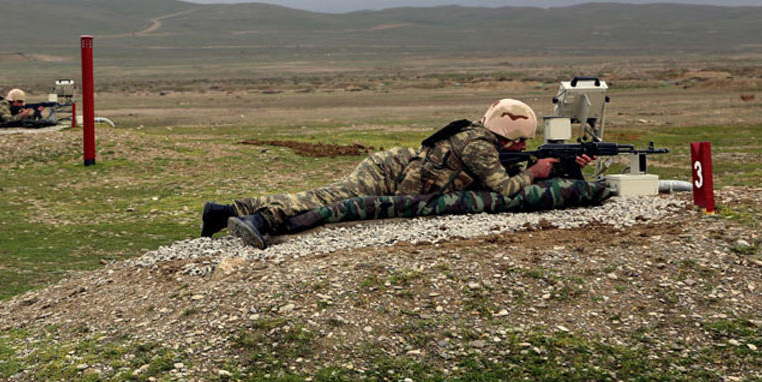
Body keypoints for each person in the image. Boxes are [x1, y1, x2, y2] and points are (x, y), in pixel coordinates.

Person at [211, 98, 596, 249]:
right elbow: (503, 187)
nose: (518, 151)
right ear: (507, 133)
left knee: (330, 195)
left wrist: (561, 167)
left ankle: (222, 210)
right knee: (334, 198)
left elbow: (495, 172)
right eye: (517, 143)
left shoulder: (480, 138)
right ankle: (260, 219)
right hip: (390, 173)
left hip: (402, 172)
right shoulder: (479, 145)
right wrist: (537, 171)